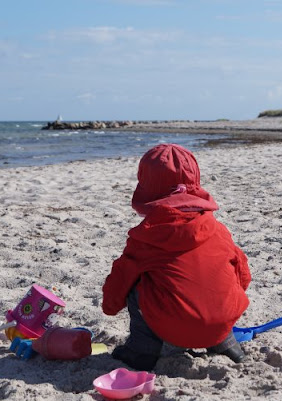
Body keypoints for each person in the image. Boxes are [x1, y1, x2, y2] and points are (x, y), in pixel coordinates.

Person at [102, 143, 251, 371]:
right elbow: (243, 275)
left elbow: (120, 281)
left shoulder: (146, 237)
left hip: (175, 325)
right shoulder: (218, 230)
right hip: (222, 320)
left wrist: (110, 306)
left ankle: (142, 351)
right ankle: (224, 342)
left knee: (136, 284)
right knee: (217, 276)